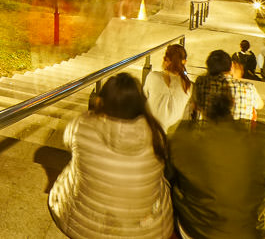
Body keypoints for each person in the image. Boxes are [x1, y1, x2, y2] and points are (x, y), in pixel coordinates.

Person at [48, 73, 175, 239]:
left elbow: (67, 142)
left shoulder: (83, 125)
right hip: (144, 230)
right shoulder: (156, 133)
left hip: (86, 225)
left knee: (74, 166)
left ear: (102, 100)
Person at [167, 83, 265, 239]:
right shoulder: (262, 134)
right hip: (252, 230)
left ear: (196, 106)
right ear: (232, 104)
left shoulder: (184, 135)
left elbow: (168, 176)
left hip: (196, 229)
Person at [188, 50, 263, 123]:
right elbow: (260, 105)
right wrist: (237, 78)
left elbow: (196, 103)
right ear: (231, 67)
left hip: (208, 132)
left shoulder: (201, 82)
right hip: (239, 134)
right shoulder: (248, 88)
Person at [144, 43, 193, 133]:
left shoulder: (153, 76)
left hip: (149, 129)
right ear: (184, 62)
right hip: (171, 134)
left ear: (165, 60)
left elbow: (144, 95)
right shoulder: (188, 86)